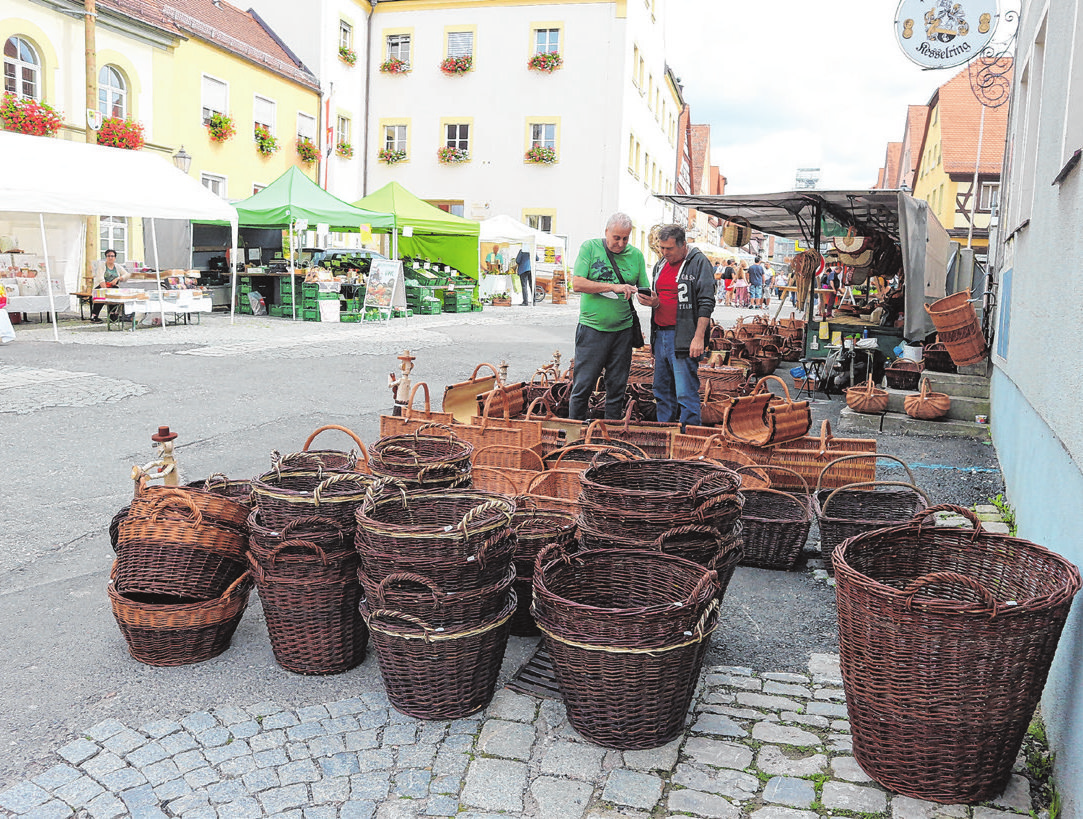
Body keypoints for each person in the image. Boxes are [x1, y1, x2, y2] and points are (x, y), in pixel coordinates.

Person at [567, 213, 649, 421]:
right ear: (606, 232)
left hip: (622, 331)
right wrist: (613, 286)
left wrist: (651, 298)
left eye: (625, 238)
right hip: (592, 329)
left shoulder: (636, 256)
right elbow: (577, 284)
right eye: (616, 238)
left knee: (617, 386)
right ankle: (575, 431)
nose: (620, 243)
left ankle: (610, 434)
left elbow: (645, 290)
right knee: (583, 385)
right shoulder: (590, 248)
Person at [642, 224, 714, 426]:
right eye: (662, 248)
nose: (665, 253)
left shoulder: (699, 262)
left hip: (684, 336)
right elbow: (663, 298)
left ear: (683, 245)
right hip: (661, 334)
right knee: (661, 390)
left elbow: (706, 303)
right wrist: (654, 302)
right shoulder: (660, 265)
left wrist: (699, 337)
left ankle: (689, 437)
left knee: (685, 391)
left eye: (669, 249)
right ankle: (666, 432)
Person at [90, 248, 129, 323]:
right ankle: (94, 315)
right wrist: (105, 288)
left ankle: (112, 314)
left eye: (112, 256)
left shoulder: (117, 267)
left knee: (116, 293)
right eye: (108, 256)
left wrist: (118, 278)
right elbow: (100, 278)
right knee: (101, 294)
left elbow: (127, 275)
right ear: (106, 257)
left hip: (112, 286)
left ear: (115, 258)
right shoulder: (102, 266)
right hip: (102, 285)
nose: (110, 258)